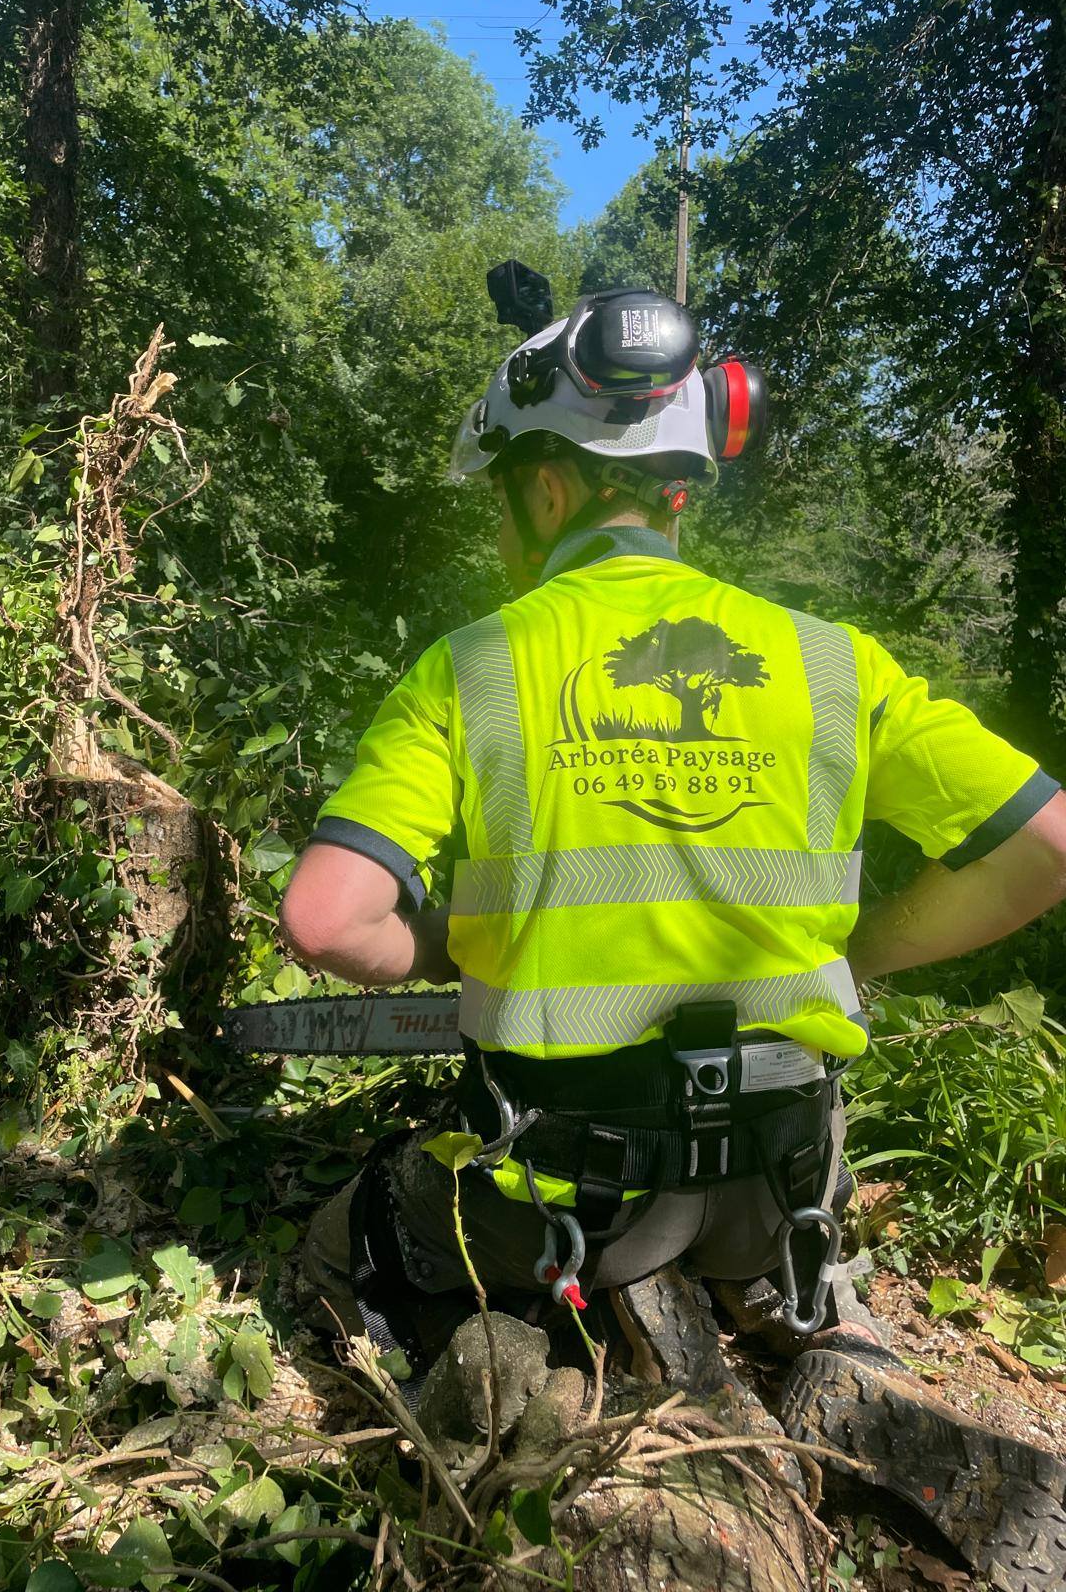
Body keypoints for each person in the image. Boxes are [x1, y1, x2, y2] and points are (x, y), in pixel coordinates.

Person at [280, 277, 1066, 1585]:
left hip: (567, 1207)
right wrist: (856, 956)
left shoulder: (476, 665)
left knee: (350, 1228)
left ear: (543, 489)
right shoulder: (826, 662)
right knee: (774, 1201)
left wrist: (447, 952)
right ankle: (811, 1328)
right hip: (771, 1192)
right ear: (680, 492)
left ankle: (447, 1383)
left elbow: (327, 916)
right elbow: (1045, 849)